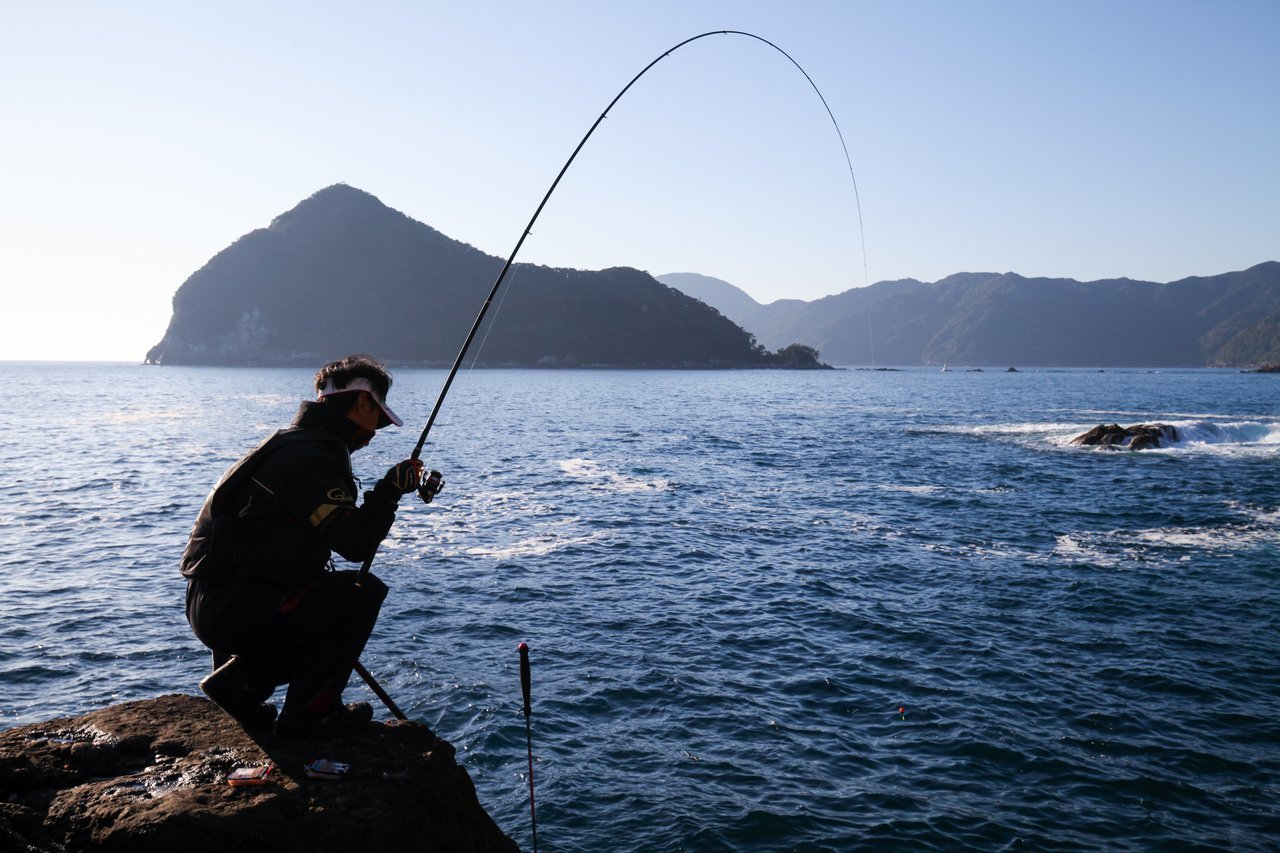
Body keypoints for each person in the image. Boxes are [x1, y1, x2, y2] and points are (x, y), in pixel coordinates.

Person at [181, 354, 436, 738]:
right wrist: (388, 492)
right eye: (379, 416)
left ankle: (239, 686)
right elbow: (355, 543)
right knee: (362, 593)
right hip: (235, 606)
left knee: (318, 598)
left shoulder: (288, 443)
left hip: (213, 600)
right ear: (363, 403)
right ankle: (312, 715)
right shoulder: (314, 457)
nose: (377, 430)